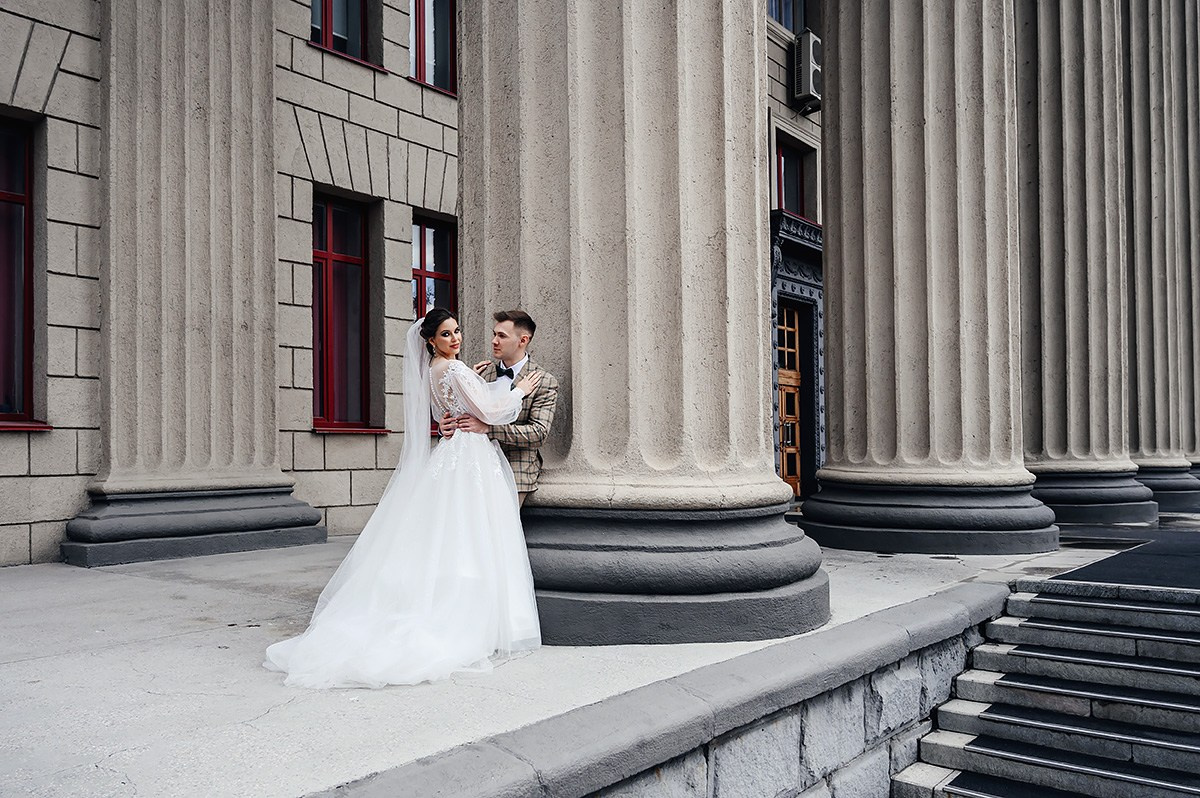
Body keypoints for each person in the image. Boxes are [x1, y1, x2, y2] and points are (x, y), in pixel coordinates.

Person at [264, 309, 543, 689]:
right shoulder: (456, 370)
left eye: (457, 331)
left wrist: (475, 391)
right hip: (471, 457)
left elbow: (456, 410)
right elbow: (492, 410)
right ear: (431, 341)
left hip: (454, 454)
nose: (456, 339)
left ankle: (469, 616)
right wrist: (518, 391)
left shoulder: (437, 371)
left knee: (452, 537)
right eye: (446, 334)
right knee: (474, 537)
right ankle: (472, 623)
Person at [440, 310, 558, 506]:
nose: (494, 340)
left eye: (502, 336)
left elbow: (538, 433)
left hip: (515, 469)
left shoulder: (544, 381)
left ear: (523, 340)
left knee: (497, 533)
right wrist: (447, 426)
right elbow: (465, 415)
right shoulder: (483, 373)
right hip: (475, 465)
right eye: (494, 334)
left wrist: (489, 428)